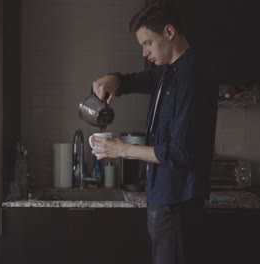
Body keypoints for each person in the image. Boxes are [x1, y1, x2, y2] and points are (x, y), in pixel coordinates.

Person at [90, 2, 218, 264]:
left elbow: (182, 153)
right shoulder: (169, 70)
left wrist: (121, 149)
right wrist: (116, 79)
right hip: (165, 198)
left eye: (148, 43)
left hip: (178, 201)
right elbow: (140, 80)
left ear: (169, 32)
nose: (145, 52)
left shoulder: (192, 75)